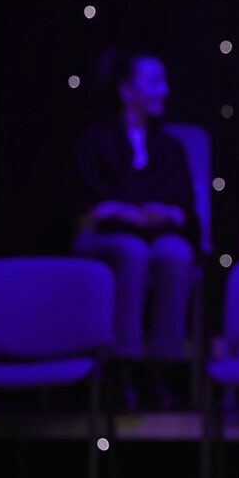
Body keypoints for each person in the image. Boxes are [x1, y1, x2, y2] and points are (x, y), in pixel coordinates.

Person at [73, 52, 197, 362]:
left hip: (158, 233)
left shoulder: (171, 147)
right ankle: (124, 360)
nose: (164, 90)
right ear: (127, 90)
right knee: (133, 251)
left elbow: (185, 205)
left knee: (177, 253)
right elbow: (86, 203)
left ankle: (165, 362)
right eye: (155, 82)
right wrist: (120, 211)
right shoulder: (96, 140)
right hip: (107, 234)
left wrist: (166, 213)